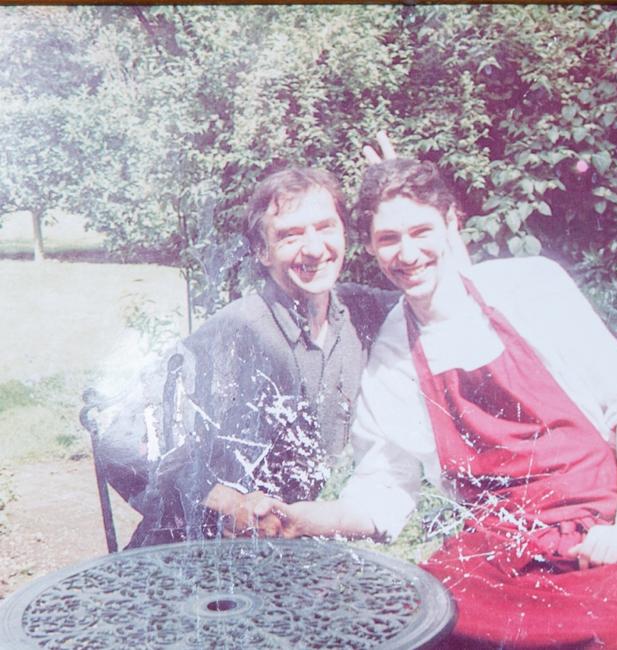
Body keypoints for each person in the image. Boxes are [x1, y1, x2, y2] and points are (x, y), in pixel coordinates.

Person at [268, 159, 617, 648]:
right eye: (388, 239)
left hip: (604, 533)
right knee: (408, 627)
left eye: (421, 230)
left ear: (452, 222)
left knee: (616, 630)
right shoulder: (392, 349)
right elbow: (384, 489)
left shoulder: (530, 286)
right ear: (370, 246)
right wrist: (301, 517)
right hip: (498, 554)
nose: (407, 254)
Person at [97, 165, 397, 547]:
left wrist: (395, 194)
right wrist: (225, 502)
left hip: (286, 559)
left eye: (325, 227)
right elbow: (118, 442)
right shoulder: (236, 332)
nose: (314, 248)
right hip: (190, 561)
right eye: (289, 235)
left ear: (346, 235)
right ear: (262, 251)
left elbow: (451, 297)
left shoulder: (363, 312)